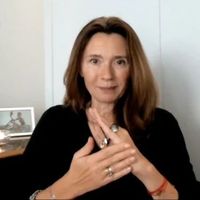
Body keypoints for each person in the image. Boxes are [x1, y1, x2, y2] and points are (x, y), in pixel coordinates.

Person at [17, 16, 199, 199]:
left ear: (133, 69)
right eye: (95, 61)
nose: (107, 75)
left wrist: (143, 166)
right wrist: (70, 185)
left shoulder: (162, 123)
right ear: (80, 67)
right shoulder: (54, 121)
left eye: (119, 62)